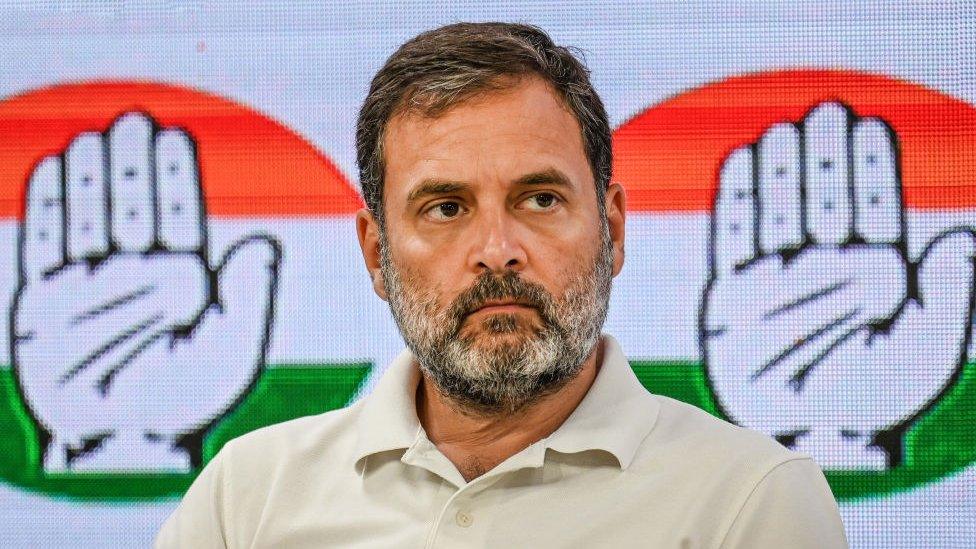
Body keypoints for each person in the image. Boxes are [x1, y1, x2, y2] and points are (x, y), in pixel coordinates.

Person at [156, 22, 848, 548]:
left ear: (612, 229)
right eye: (446, 208)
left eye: (540, 199)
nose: (497, 251)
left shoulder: (750, 500)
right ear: (376, 254)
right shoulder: (245, 496)